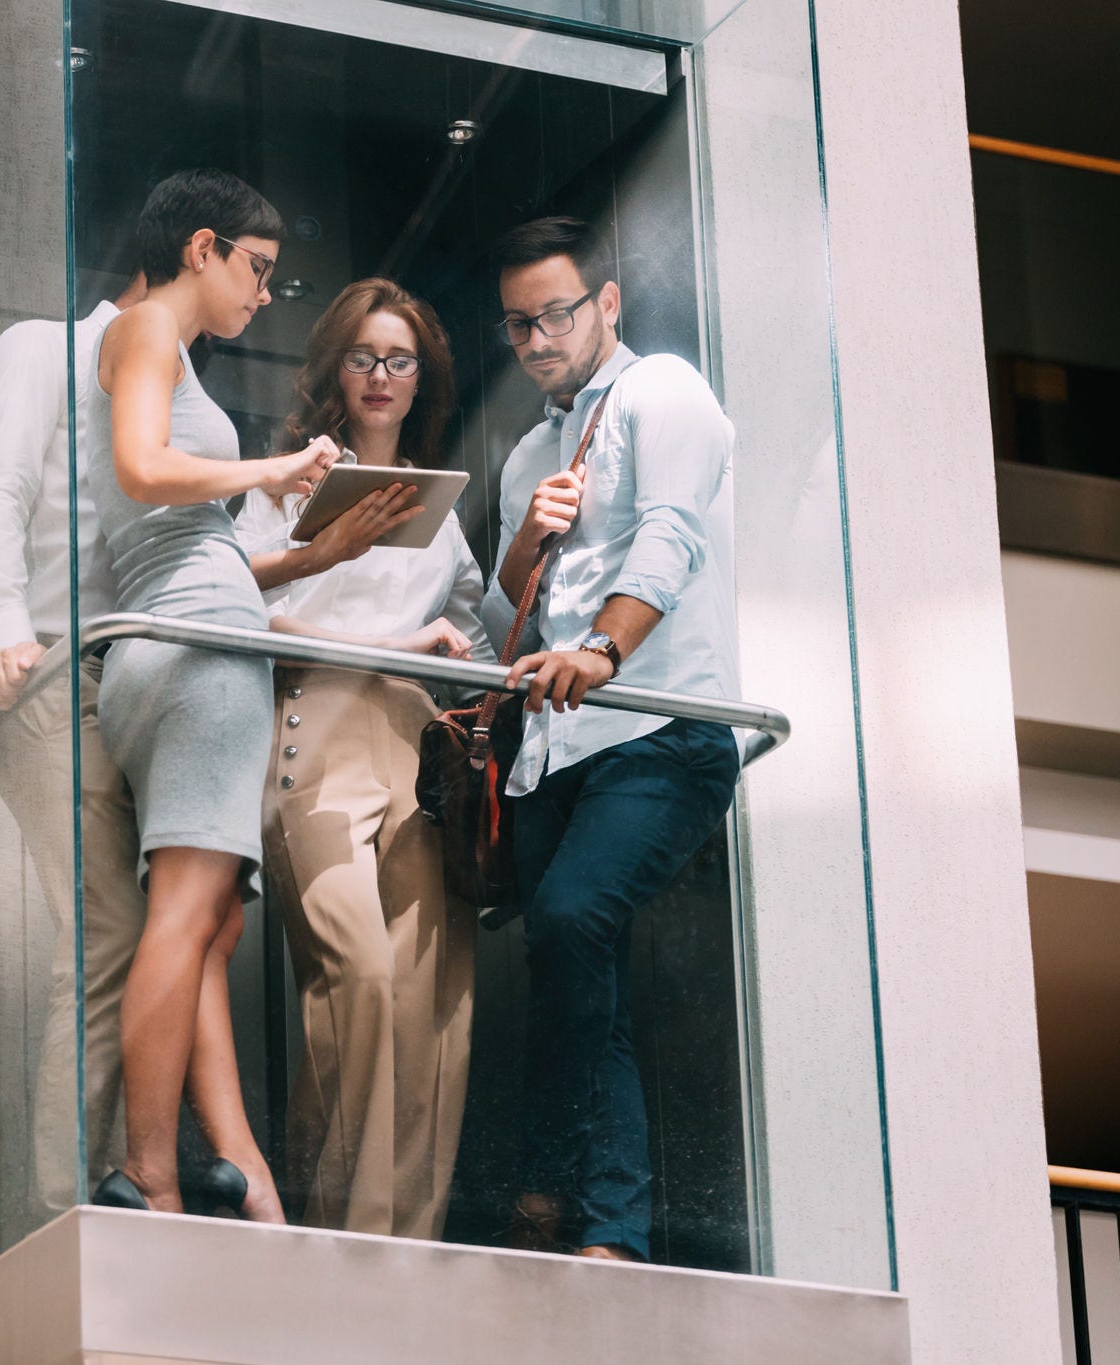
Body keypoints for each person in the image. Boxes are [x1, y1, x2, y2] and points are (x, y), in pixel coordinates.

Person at [480, 216, 740, 1263]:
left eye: (555, 312)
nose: (538, 338)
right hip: (552, 754)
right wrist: (525, 542)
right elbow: (518, 613)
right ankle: (587, 1223)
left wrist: (603, 649)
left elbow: (670, 532)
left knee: (574, 918)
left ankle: (586, 1209)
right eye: (516, 324)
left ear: (606, 303)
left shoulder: (659, 391)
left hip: (657, 729)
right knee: (567, 962)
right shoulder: (524, 457)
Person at [82, 169, 340, 1221]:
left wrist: (314, 545)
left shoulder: (152, 349)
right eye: (257, 269)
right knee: (186, 916)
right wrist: (265, 475)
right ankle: (151, 1174)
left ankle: (235, 1172)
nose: (263, 295)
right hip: (196, 653)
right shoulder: (146, 330)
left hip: (174, 640)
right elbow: (144, 469)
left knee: (207, 925)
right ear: (201, 248)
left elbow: (171, 520)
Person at [235, 277, 491, 1239]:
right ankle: (332, 1225)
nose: (382, 376)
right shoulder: (293, 480)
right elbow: (242, 609)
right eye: (363, 356)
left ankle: (403, 1248)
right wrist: (398, 646)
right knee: (363, 979)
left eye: (401, 360)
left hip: (414, 747)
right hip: (316, 734)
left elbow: (474, 632)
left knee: (432, 1011)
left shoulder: (444, 512)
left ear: (422, 379)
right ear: (334, 367)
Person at [0, 273, 148, 1209]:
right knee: (99, 933)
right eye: (251, 268)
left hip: (123, 689)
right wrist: (5, 631)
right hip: (48, 671)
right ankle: (62, 1196)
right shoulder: (44, 350)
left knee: (123, 935)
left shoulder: (159, 392)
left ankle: (110, 1172)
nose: (257, 297)